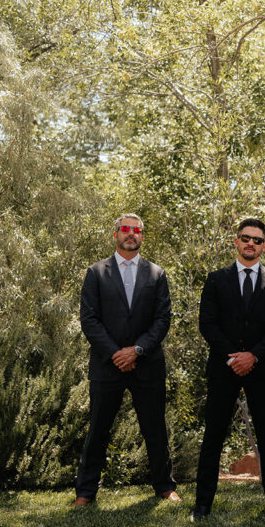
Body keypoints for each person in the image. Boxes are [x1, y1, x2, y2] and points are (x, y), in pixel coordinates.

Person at [73, 214, 178, 507]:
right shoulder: (96, 272)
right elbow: (89, 319)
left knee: (155, 428)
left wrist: (138, 350)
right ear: (115, 234)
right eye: (125, 229)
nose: (131, 234)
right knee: (98, 429)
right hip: (107, 365)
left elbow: (162, 318)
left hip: (148, 364)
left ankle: (165, 486)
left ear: (142, 236)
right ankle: (85, 492)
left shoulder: (157, 274)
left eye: (136, 230)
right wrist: (116, 353)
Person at [192, 218, 265, 521]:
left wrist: (253, 356)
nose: (251, 243)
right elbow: (207, 323)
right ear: (236, 241)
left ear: (264, 245)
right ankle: (202, 506)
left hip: (261, 368)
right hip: (224, 367)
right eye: (246, 238)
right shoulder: (216, 279)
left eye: (257, 240)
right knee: (213, 436)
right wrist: (233, 356)